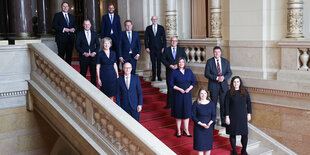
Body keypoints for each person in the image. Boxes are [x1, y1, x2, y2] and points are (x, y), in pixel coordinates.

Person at [204, 46, 232, 126]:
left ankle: (223, 121)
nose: (217, 53)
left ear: (220, 53)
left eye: (218, 52)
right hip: (213, 86)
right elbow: (206, 73)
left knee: (223, 104)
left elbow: (229, 72)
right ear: (213, 53)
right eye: (215, 52)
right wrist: (216, 78)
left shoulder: (225, 61)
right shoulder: (209, 62)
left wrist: (224, 78)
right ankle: (212, 120)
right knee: (213, 104)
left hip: (223, 86)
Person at [225, 76, 252, 155]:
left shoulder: (245, 92)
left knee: (244, 134)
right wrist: (227, 117)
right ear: (232, 83)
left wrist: (249, 113)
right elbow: (226, 105)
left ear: (240, 83)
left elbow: (249, 103)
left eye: (237, 82)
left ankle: (244, 150)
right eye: (234, 82)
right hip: (232, 116)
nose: (236, 83)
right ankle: (234, 151)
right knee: (232, 134)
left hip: (242, 116)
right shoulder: (229, 93)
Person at [169, 57, 195, 137]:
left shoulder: (189, 71)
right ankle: (179, 130)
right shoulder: (174, 72)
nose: (181, 64)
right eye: (179, 62)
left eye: (182, 62)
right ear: (178, 63)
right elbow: (171, 84)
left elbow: (193, 82)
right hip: (178, 94)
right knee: (179, 112)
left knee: (187, 112)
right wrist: (179, 89)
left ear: (185, 63)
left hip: (187, 94)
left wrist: (189, 89)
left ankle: (186, 130)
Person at [162, 36, 188, 109]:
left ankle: (178, 104)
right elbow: (163, 59)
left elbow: (185, 58)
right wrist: (169, 65)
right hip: (169, 71)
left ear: (177, 42)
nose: (174, 42)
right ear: (170, 42)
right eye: (172, 41)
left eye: (175, 41)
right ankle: (169, 104)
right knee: (170, 88)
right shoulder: (166, 50)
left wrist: (179, 65)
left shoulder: (181, 50)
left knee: (179, 87)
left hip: (179, 71)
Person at [76, 19, 100, 87]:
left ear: (90, 25)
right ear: (83, 25)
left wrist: (94, 52)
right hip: (84, 57)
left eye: (88, 24)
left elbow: (98, 45)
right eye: (85, 24)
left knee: (93, 74)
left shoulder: (94, 34)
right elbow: (77, 45)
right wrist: (83, 53)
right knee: (83, 73)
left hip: (93, 57)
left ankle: (94, 88)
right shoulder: (79, 34)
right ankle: (82, 87)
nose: (87, 26)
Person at [192, 88, 216, 155]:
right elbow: (193, 116)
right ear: (199, 94)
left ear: (207, 94)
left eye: (205, 93)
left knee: (208, 147)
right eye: (201, 93)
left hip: (208, 128)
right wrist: (201, 124)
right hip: (199, 128)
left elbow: (214, 116)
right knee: (200, 147)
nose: (203, 95)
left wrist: (210, 123)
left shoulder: (211, 104)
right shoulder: (196, 103)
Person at [144, 16, 166, 81]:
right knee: (153, 63)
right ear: (151, 20)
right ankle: (153, 77)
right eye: (153, 19)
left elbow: (164, 38)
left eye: (155, 19)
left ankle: (159, 76)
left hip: (159, 48)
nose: (154, 20)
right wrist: (147, 47)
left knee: (159, 63)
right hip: (151, 49)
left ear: (157, 20)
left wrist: (164, 47)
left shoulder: (161, 28)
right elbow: (146, 38)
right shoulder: (148, 28)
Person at [101, 3, 122, 70]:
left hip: (116, 37)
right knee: (108, 52)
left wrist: (120, 37)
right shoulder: (104, 17)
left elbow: (119, 27)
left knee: (117, 52)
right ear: (108, 9)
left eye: (112, 8)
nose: (111, 9)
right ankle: (109, 66)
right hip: (107, 37)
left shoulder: (117, 16)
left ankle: (117, 67)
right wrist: (103, 38)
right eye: (110, 8)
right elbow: (102, 27)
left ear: (114, 9)